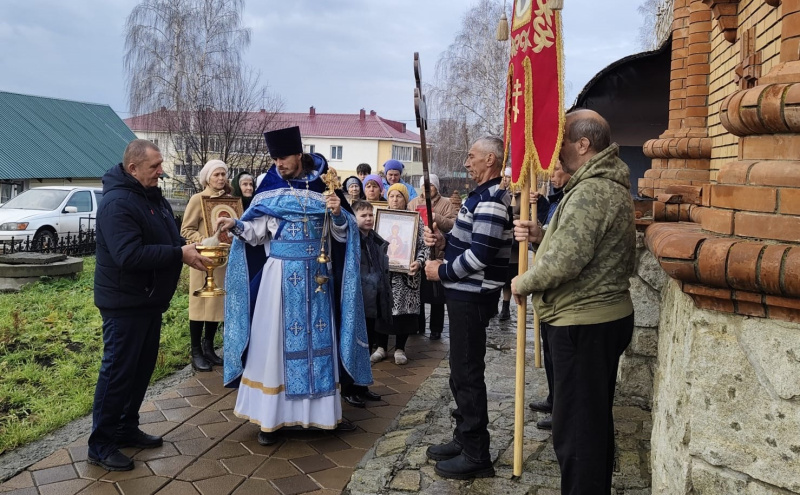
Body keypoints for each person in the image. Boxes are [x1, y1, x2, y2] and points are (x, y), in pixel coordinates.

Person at [217, 126, 372, 446]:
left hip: (317, 280)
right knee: (272, 346)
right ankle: (270, 419)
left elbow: (343, 234)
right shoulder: (270, 187)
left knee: (320, 343)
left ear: (298, 155)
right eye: (274, 158)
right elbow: (257, 232)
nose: (279, 164)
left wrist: (338, 214)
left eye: (283, 157)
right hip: (279, 281)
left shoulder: (325, 184)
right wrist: (236, 225)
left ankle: (321, 417)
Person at [511, 109, 635, 494]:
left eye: (561, 140)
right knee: (589, 424)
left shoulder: (592, 190)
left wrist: (522, 282)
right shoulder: (597, 185)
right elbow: (581, 245)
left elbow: (566, 262)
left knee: (579, 434)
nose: (555, 151)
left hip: (584, 323)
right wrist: (542, 235)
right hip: (592, 320)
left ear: (582, 145)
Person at [90, 139, 210, 471]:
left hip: (147, 300)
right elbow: (128, 255)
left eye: (160, 165)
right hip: (124, 303)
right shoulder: (118, 203)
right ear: (133, 168)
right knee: (118, 373)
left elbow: (169, 238)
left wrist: (193, 248)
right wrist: (178, 253)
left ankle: (126, 427)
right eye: (155, 166)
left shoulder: (150, 197)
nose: (161, 171)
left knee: (140, 371)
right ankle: (100, 444)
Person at [422, 136, 512, 480]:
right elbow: (470, 243)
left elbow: (482, 254)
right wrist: (445, 242)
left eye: (472, 156)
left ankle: (477, 453)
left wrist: (442, 270)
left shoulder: (491, 199)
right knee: (460, 370)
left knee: (468, 373)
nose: (466, 162)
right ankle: (464, 437)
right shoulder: (481, 195)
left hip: (472, 296)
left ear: (490, 159)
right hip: (465, 293)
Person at [527, 159, 573, 431]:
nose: (552, 174)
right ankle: (554, 398)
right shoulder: (559, 199)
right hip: (549, 295)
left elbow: (559, 247)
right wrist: (541, 205)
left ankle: (562, 410)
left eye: (556, 169)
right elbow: (547, 228)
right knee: (550, 353)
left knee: (561, 358)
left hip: (561, 294)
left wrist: (524, 283)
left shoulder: (573, 200)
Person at [371, 183, 429, 365]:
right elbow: (372, 244)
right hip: (384, 274)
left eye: (399, 196)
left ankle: (400, 348)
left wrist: (418, 262)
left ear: (405, 199)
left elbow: (424, 246)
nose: (395, 200)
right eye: (392, 196)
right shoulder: (380, 219)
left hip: (406, 276)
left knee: (404, 313)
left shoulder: (416, 220)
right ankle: (381, 347)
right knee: (381, 309)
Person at [181, 159, 230, 372]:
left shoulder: (229, 201)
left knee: (216, 304)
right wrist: (206, 241)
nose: (220, 178)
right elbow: (186, 230)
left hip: (222, 261)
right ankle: (196, 351)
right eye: (216, 174)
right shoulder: (198, 199)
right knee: (200, 304)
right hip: (201, 260)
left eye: (223, 174)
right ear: (207, 178)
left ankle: (209, 348)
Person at [347, 199, 391, 404]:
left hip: (374, 298)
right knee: (354, 345)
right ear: (353, 218)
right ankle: (349, 388)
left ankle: (363, 386)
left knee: (368, 344)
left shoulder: (375, 239)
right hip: (359, 299)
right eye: (363, 215)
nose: (368, 219)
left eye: (370, 215)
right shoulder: (351, 240)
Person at [407, 174, 457, 340]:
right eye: (424, 185)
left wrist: (437, 217)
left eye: (431, 185)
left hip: (438, 253)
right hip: (418, 253)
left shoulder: (446, 203)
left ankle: (436, 328)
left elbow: (453, 224)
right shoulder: (413, 203)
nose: (427, 188)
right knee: (418, 293)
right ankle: (418, 325)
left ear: (437, 186)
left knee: (437, 296)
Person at [499, 167, 521, 321]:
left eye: (508, 177)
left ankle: (505, 307)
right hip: (500, 240)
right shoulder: (499, 193)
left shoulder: (520, 196)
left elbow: (527, 214)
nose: (505, 180)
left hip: (513, 242)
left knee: (509, 277)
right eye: (504, 177)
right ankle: (493, 304)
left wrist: (514, 219)